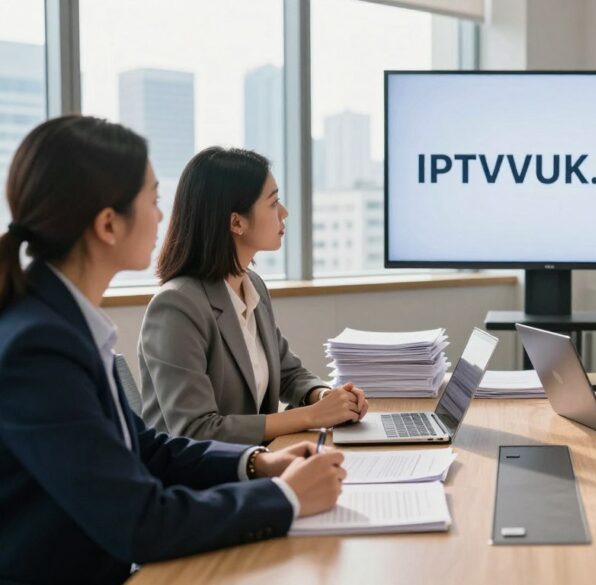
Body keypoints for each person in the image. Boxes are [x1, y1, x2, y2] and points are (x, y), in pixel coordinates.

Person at [0, 116, 346, 585]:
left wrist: (257, 463)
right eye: (153, 200)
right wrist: (286, 498)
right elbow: (139, 521)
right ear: (108, 224)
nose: (163, 217)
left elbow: (143, 447)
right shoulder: (38, 348)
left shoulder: (65, 324)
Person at [138, 147, 368, 445]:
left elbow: (288, 374)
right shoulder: (176, 306)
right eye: (273, 203)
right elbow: (195, 430)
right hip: (202, 481)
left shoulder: (252, 286)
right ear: (236, 222)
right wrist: (313, 415)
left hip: (256, 463)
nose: (284, 212)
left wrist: (325, 397)